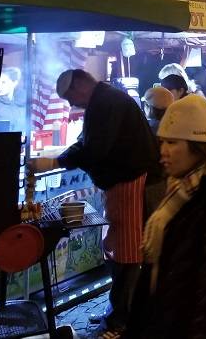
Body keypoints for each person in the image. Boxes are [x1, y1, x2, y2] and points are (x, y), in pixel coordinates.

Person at [126, 95, 206, 339]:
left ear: (199, 146)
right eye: (162, 142)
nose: (163, 152)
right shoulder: (183, 185)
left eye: (173, 143)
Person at [51, 69, 160, 338]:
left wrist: (59, 161)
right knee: (118, 250)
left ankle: (119, 321)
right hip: (122, 183)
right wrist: (64, 157)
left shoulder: (107, 101)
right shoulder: (106, 98)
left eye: (69, 97)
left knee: (127, 254)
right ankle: (117, 310)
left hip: (130, 182)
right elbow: (89, 143)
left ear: (79, 86)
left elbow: (96, 149)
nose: (71, 104)